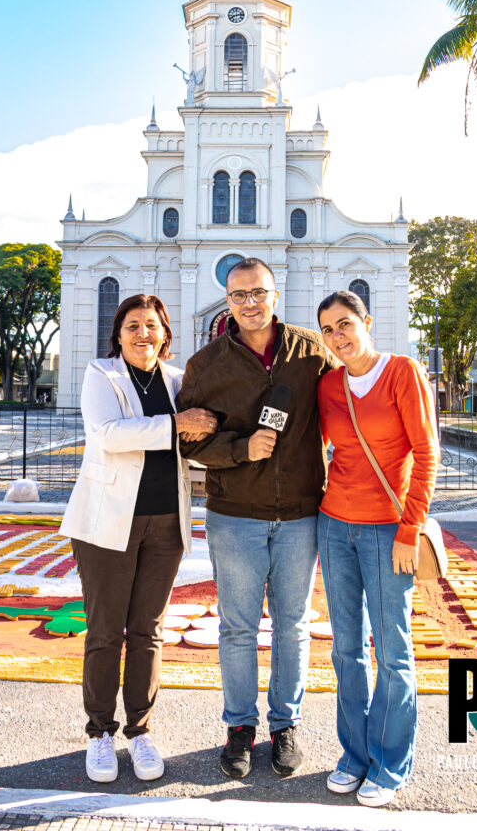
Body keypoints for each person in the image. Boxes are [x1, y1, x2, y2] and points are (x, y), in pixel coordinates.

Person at [176, 258, 335, 779]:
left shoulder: (312, 352)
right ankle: (240, 727)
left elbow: (347, 403)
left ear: (274, 294)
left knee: (292, 627)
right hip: (235, 515)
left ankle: (285, 724)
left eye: (258, 292)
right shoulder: (205, 365)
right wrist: (243, 448)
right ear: (227, 301)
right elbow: (187, 440)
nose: (249, 302)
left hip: (300, 515)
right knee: (238, 628)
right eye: (239, 294)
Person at [59, 294, 217, 784]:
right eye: (133, 325)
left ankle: (141, 730)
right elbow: (108, 434)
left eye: (151, 325)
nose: (142, 333)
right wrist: (176, 425)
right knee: (106, 630)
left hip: (166, 522)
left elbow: (199, 439)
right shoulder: (99, 374)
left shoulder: (178, 381)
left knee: (148, 632)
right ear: (118, 334)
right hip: (109, 524)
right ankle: (100, 733)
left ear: (165, 333)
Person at [316, 290, 439, 808]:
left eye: (345, 324)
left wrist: (410, 529)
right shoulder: (327, 385)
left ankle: (390, 763)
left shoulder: (402, 371)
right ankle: (356, 755)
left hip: (390, 530)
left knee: (392, 651)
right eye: (327, 330)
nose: (338, 337)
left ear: (366, 321)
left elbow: (427, 452)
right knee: (346, 650)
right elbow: (315, 446)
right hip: (333, 525)